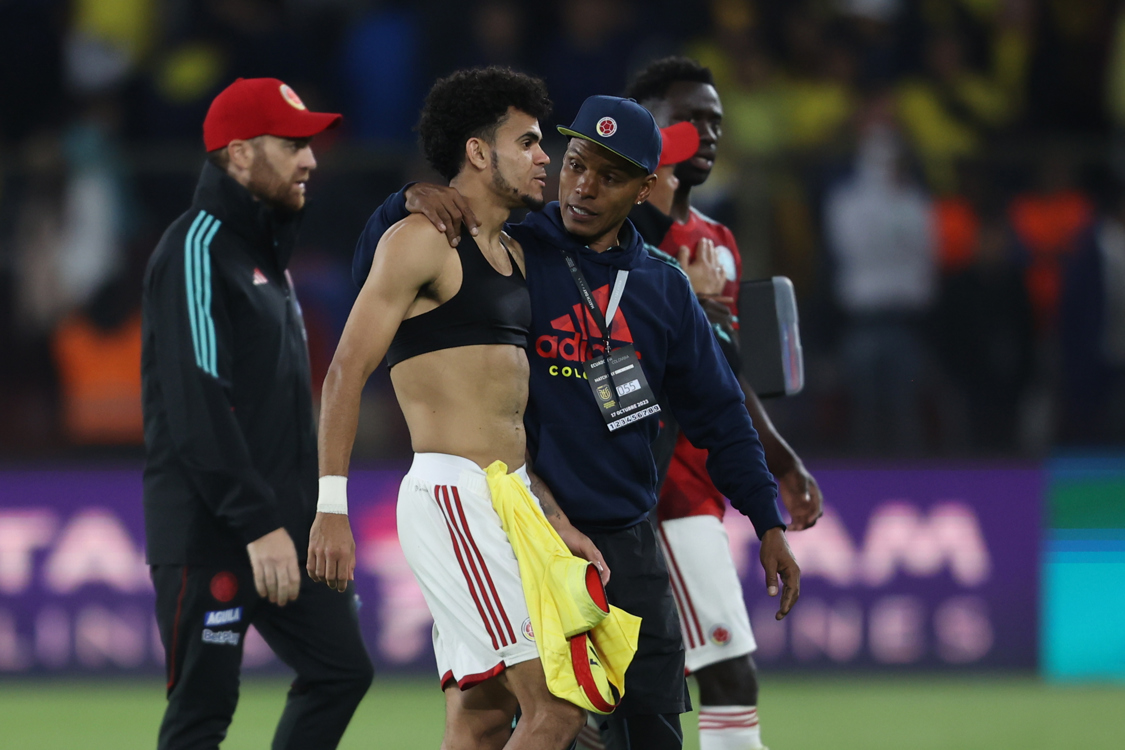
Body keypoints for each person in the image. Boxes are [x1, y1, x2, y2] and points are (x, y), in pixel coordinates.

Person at [354, 92, 801, 750]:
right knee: (529, 723)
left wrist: (766, 519)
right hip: (525, 534)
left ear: (645, 188)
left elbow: (720, 417)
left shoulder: (663, 286)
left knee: (649, 731)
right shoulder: (512, 247)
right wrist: (409, 199)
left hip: (626, 541)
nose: (584, 187)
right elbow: (387, 263)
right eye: (576, 166)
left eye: (610, 176)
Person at [309, 67, 599, 750]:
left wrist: (552, 517)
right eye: (526, 142)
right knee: (557, 706)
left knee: (483, 718)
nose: (543, 159)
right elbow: (346, 371)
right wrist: (329, 507)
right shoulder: (420, 240)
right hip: (455, 497)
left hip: (509, 501)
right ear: (476, 151)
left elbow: (509, 417)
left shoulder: (516, 255)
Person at [140, 77, 373, 750]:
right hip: (211, 528)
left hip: (282, 526)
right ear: (239, 156)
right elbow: (196, 404)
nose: (311, 160)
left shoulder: (265, 255)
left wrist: (300, 518)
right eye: (293, 144)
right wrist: (257, 523)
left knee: (341, 671)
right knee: (202, 713)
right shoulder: (197, 248)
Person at [622, 56, 826, 750]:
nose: (705, 133)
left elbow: (720, 380)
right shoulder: (612, 234)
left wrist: (780, 458)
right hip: (659, 493)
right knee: (726, 676)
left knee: (636, 695)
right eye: (686, 119)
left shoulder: (718, 241)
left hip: (703, 489)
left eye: (714, 121)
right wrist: (684, 299)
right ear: (645, 128)